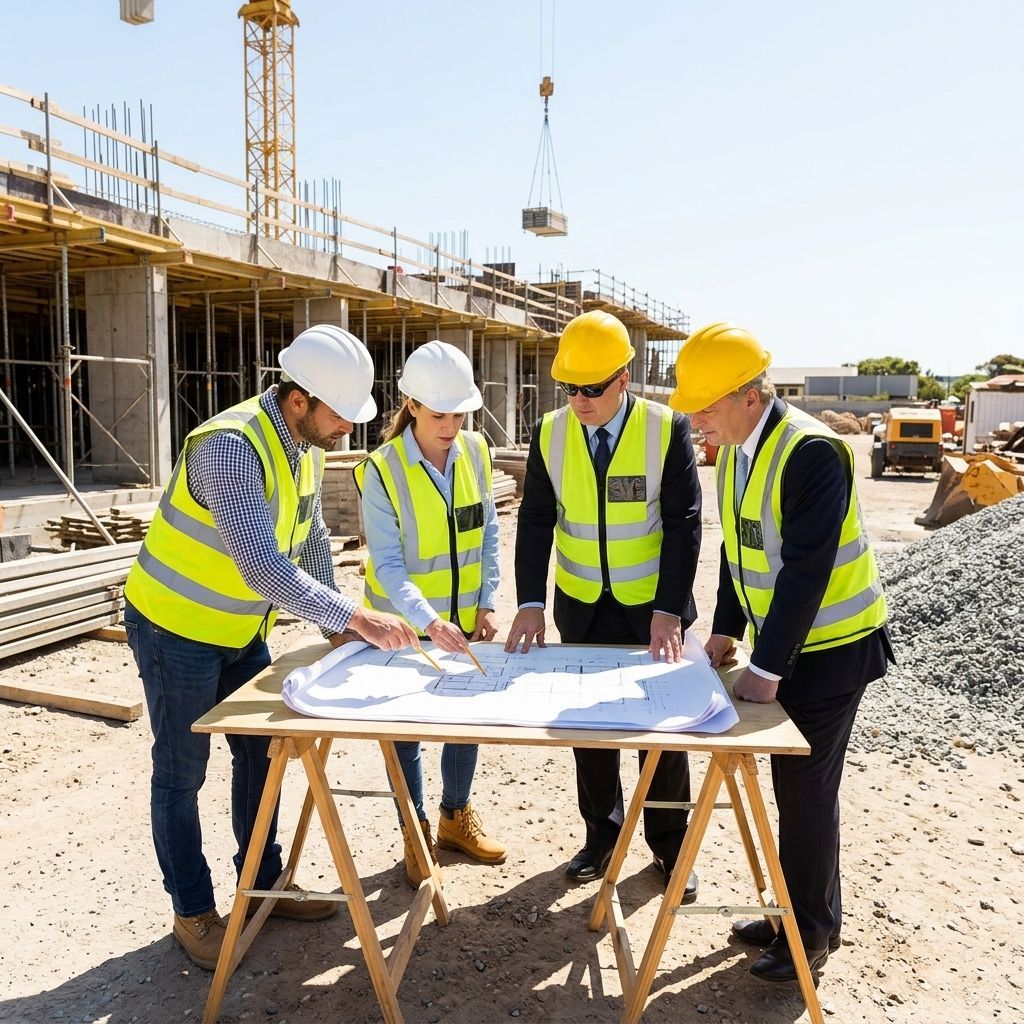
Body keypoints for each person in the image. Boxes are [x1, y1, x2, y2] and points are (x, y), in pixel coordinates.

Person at [123, 325, 419, 971]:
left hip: (238, 631)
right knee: (182, 772)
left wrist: (335, 629)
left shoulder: (304, 447)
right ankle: (193, 910)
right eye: (341, 413)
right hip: (175, 629)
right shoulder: (230, 447)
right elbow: (261, 565)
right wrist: (357, 616)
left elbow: (309, 539)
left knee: (264, 757)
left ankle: (264, 882)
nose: (349, 427)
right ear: (299, 400)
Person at [669, 322, 894, 983]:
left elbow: (806, 569)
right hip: (786, 642)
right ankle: (786, 913)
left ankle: (812, 936)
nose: (698, 423)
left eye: (706, 407)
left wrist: (766, 670)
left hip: (834, 650)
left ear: (746, 394)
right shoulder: (738, 449)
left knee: (805, 794)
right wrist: (723, 628)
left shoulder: (813, 452)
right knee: (789, 791)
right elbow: (737, 548)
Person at [505, 310, 701, 897]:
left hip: (653, 613)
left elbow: (686, 523)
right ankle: (601, 838)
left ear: (624, 377)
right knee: (589, 731)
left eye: (593, 389)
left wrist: (669, 608)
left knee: (661, 738)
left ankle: (670, 849)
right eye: (571, 388)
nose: (580, 401)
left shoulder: (667, 429)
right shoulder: (550, 433)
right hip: (583, 605)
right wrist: (532, 601)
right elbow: (536, 521)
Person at [354, 340, 506, 887]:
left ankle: (454, 818)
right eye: (440, 414)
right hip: (401, 630)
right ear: (411, 405)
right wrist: (428, 621)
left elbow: (487, 532)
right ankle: (414, 832)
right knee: (406, 734)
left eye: (459, 413)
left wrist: (487, 599)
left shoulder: (477, 452)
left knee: (465, 722)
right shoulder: (381, 471)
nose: (451, 425)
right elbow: (389, 566)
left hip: (463, 621)